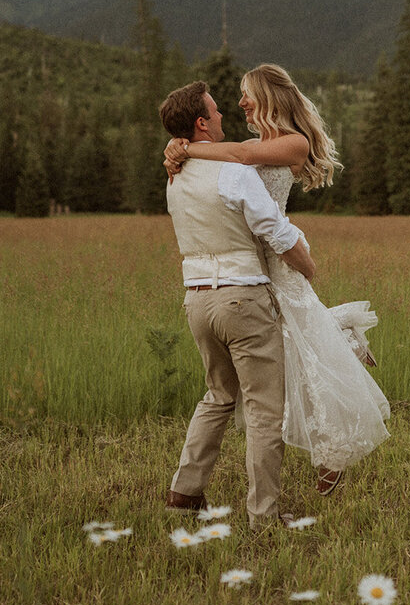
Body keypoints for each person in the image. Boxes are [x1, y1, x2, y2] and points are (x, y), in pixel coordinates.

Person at [164, 63, 390, 497]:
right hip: (248, 268)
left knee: (305, 354)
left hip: (276, 263)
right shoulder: (245, 146)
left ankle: (331, 451)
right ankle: (345, 342)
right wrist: (180, 146)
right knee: (289, 356)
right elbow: (232, 158)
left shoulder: (293, 143)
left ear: (270, 97)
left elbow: (241, 157)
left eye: (247, 93)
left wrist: (185, 149)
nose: (240, 102)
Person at [159, 80, 316, 530]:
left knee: (218, 395)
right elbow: (274, 228)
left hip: (196, 301)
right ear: (202, 123)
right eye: (215, 110)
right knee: (265, 409)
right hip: (243, 298)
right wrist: (305, 265)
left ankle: (184, 493)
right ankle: (263, 516)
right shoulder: (233, 169)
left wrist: (179, 149)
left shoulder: (175, 173)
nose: (225, 115)